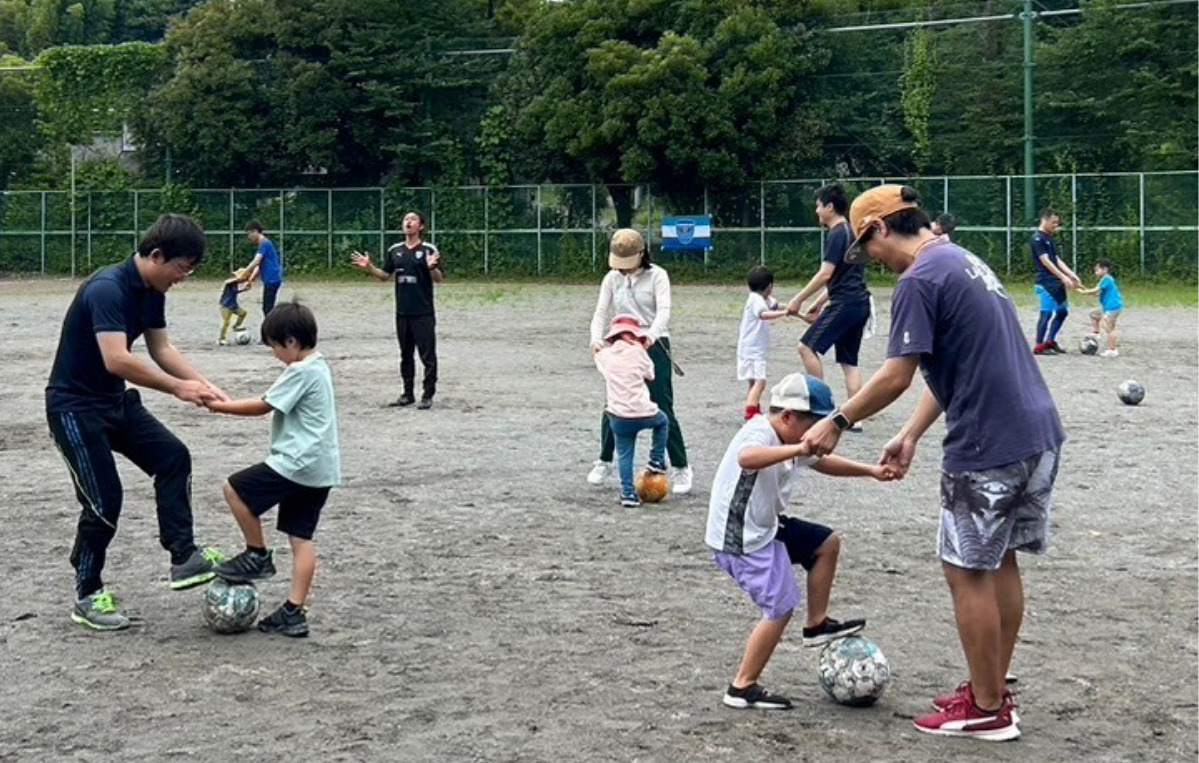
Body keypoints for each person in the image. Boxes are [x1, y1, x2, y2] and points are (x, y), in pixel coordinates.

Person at [801, 185, 1065, 741]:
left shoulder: (918, 278)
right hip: (1037, 433)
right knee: (999, 563)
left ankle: (988, 708)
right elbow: (959, 362)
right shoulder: (961, 259)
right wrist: (911, 433)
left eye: (866, 250)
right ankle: (990, 688)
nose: (871, 262)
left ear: (877, 229)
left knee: (966, 570)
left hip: (988, 443)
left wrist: (837, 421)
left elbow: (897, 373)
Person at [45, 213, 229, 631]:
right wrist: (177, 389)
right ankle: (87, 593)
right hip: (74, 409)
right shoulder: (108, 288)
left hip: (114, 403)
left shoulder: (152, 290)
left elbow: (161, 348)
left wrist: (203, 383)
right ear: (158, 255)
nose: (183, 278)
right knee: (103, 502)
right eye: (182, 268)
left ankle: (183, 556)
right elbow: (118, 358)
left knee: (172, 458)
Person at [706, 372, 893, 710]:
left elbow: (822, 462)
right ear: (789, 417)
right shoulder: (761, 431)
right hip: (740, 537)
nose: (820, 435)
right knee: (779, 607)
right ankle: (741, 687)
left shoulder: (789, 434)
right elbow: (746, 458)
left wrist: (871, 471)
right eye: (816, 425)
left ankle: (817, 625)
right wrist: (799, 446)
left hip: (766, 526)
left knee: (826, 543)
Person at [205, 301, 341, 638]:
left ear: (292, 342)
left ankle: (257, 555)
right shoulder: (319, 366)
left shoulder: (300, 371)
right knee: (301, 538)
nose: (275, 355)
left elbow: (263, 406)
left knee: (235, 489)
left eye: (276, 347)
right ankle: (294, 612)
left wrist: (219, 407)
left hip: (297, 463)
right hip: (320, 468)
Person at [587, 228, 692, 494]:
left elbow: (664, 311)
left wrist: (651, 336)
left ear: (641, 254)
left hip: (653, 344)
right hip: (621, 344)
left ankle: (681, 467)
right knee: (615, 403)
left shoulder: (658, 276)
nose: (622, 269)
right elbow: (601, 312)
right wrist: (596, 340)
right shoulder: (611, 278)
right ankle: (604, 460)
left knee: (662, 405)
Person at [785, 183, 871, 424]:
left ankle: (820, 406)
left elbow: (826, 274)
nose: (817, 211)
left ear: (830, 207)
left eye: (818, 206)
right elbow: (846, 276)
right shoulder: (853, 232)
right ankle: (855, 417)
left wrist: (798, 299)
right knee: (848, 361)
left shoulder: (836, 234)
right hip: (859, 302)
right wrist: (819, 303)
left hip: (846, 303)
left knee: (806, 347)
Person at [350, 211, 444, 409]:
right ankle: (407, 393)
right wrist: (369, 267)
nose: (408, 222)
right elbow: (384, 275)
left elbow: (439, 278)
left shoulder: (428, 249)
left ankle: (427, 395)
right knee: (405, 354)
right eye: (406, 220)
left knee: (428, 355)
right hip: (403, 312)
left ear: (421, 226)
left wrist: (431, 267)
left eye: (413, 220)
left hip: (423, 312)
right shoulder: (395, 250)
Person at [594, 314, 669, 507]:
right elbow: (650, 374)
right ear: (633, 335)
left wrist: (599, 348)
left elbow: (600, 363)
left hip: (618, 416)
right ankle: (656, 459)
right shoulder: (638, 352)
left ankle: (628, 493)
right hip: (644, 411)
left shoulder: (605, 356)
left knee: (625, 453)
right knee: (663, 422)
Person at [737, 266, 789, 420]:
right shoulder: (756, 300)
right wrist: (784, 313)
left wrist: (793, 306)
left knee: (753, 382)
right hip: (753, 350)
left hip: (749, 348)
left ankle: (753, 408)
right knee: (761, 381)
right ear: (770, 286)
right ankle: (751, 412)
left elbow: (776, 305)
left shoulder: (763, 298)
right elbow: (764, 314)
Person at [1030, 209, 1082, 355]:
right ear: (1044, 220)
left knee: (1062, 311)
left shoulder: (1049, 238)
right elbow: (1046, 261)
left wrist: (1071, 275)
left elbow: (1056, 259)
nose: (1055, 225)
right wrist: (1063, 277)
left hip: (1056, 281)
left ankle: (1050, 341)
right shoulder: (1037, 239)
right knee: (1046, 314)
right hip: (1045, 282)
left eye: (1057, 223)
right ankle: (1039, 346)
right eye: (1053, 222)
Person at [1077, 258, 1124, 358]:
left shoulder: (1107, 279)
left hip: (1113, 307)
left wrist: (1083, 292)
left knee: (1109, 327)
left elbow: (1095, 290)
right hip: (1107, 307)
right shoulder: (1103, 280)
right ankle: (1096, 333)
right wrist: (1084, 289)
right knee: (1094, 315)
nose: (1095, 272)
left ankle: (1113, 350)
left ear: (1105, 269)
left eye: (1097, 269)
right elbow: (1097, 293)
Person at [242, 221, 283, 318]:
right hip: (271, 279)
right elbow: (258, 265)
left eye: (249, 233)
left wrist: (244, 272)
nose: (249, 237)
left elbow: (256, 261)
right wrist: (250, 279)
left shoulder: (264, 243)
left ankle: (273, 329)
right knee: (267, 308)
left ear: (255, 231)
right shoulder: (263, 244)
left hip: (272, 279)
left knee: (268, 309)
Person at [217, 267, 250, 346]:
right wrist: (238, 278)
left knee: (243, 313)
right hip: (225, 305)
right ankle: (221, 339)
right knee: (226, 322)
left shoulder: (235, 284)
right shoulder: (231, 282)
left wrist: (244, 289)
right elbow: (226, 282)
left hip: (233, 305)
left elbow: (234, 292)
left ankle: (236, 326)